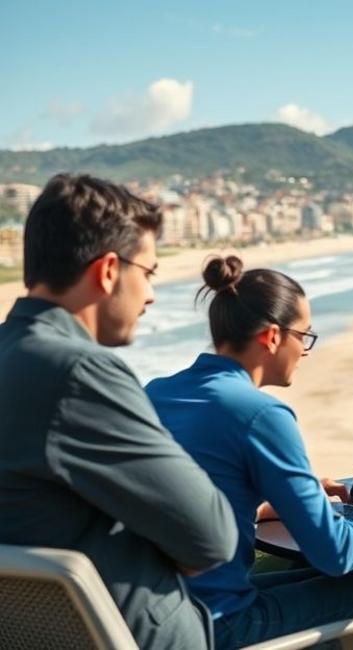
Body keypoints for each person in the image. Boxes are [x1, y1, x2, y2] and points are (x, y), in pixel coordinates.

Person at [146, 255, 353, 650]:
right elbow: (336, 552)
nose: (305, 351)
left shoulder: (157, 392)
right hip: (219, 626)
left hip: (164, 610)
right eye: (304, 336)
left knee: (324, 580)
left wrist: (264, 506)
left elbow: (186, 496)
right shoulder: (261, 414)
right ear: (272, 337)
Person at [0, 174, 238, 648]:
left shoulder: (13, 356)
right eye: (148, 273)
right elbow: (211, 538)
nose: (150, 295)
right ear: (108, 270)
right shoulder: (79, 373)